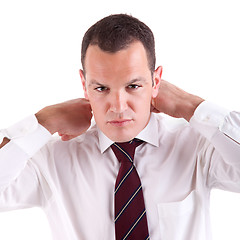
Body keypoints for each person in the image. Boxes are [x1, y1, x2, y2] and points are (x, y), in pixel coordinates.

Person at [0, 13, 239, 240]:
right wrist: (44, 121)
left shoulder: (197, 147)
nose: (118, 106)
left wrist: (191, 105)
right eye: (101, 88)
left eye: (133, 86)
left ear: (155, 81)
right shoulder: (52, 160)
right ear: (84, 84)